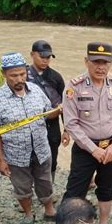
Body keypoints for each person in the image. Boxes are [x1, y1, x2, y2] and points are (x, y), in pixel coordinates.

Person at [0, 52, 55, 224]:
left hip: (41, 150)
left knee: (45, 181)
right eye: (13, 75)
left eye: (22, 74)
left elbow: (49, 112)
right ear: (4, 74)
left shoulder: (36, 91)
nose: (19, 79)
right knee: (22, 188)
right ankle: (29, 214)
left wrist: (60, 109)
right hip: (15, 155)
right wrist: (1, 160)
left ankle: (49, 209)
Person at [62, 42, 112, 224]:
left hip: (110, 148)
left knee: (107, 188)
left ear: (111, 63)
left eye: (105, 62)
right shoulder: (74, 87)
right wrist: (93, 150)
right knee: (75, 190)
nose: (101, 67)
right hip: (85, 149)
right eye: (96, 62)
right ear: (86, 61)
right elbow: (71, 124)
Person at [27, 40, 70, 182]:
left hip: (52, 124)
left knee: (52, 156)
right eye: (42, 57)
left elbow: (65, 104)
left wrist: (66, 129)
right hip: (29, 126)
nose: (45, 60)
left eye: (48, 57)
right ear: (32, 54)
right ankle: (31, 184)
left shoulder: (56, 77)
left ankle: (49, 186)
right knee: (30, 157)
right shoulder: (24, 75)